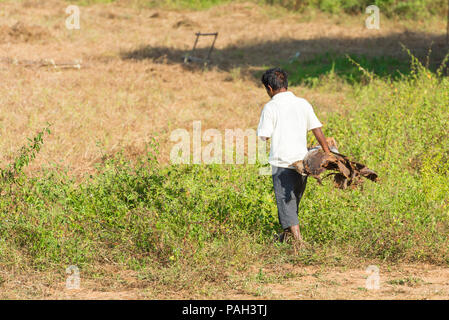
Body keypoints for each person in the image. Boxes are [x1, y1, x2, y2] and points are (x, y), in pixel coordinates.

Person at [257, 67, 330, 246]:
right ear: (285, 85)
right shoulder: (302, 103)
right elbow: (317, 129)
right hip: (302, 163)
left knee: (285, 202)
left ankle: (299, 243)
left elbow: (263, 136)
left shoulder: (271, 107)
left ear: (269, 88)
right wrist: (327, 152)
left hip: (282, 163)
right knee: (292, 201)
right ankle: (285, 238)